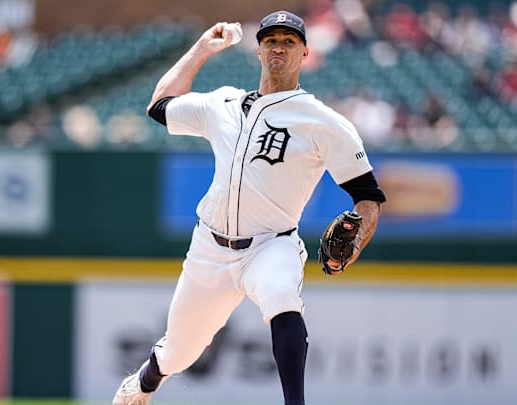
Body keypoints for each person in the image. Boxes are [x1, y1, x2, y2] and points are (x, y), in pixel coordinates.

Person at [112, 10, 386, 405]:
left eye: (289, 42)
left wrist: (356, 243)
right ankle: (143, 384)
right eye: (271, 40)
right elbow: (159, 105)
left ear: (304, 52)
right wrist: (202, 49)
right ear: (258, 50)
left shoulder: (323, 122)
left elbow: (369, 196)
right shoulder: (222, 103)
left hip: (271, 244)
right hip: (210, 248)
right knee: (179, 351)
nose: (279, 48)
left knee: (281, 295)